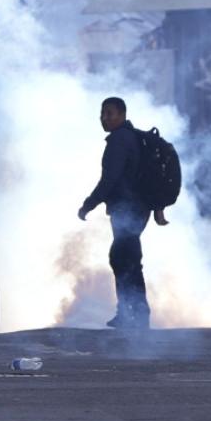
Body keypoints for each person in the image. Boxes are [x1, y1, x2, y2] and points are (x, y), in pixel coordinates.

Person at [78, 97, 167, 329]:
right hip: (136, 208)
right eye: (102, 114)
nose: (104, 119)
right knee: (126, 258)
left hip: (128, 209)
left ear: (122, 115)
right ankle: (132, 312)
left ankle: (134, 313)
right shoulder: (134, 138)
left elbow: (110, 178)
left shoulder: (120, 140)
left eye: (110, 114)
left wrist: (89, 203)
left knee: (123, 258)